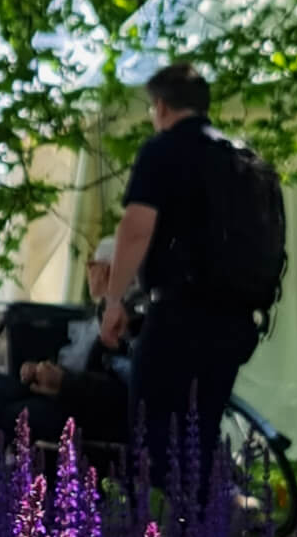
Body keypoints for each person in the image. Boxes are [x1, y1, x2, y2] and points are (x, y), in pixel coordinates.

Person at [99, 63, 263, 498]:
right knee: (201, 432)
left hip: (179, 315)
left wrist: (114, 300)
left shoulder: (162, 151)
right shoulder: (241, 157)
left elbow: (136, 228)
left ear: (161, 106)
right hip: (238, 318)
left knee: (153, 435)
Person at [0, 236, 136, 446]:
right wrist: (41, 370)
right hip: (63, 394)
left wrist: (64, 382)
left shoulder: (130, 322)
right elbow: (75, 357)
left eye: (96, 266)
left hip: (83, 409)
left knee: (3, 416)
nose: (90, 271)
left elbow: (120, 393)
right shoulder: (102, 312)